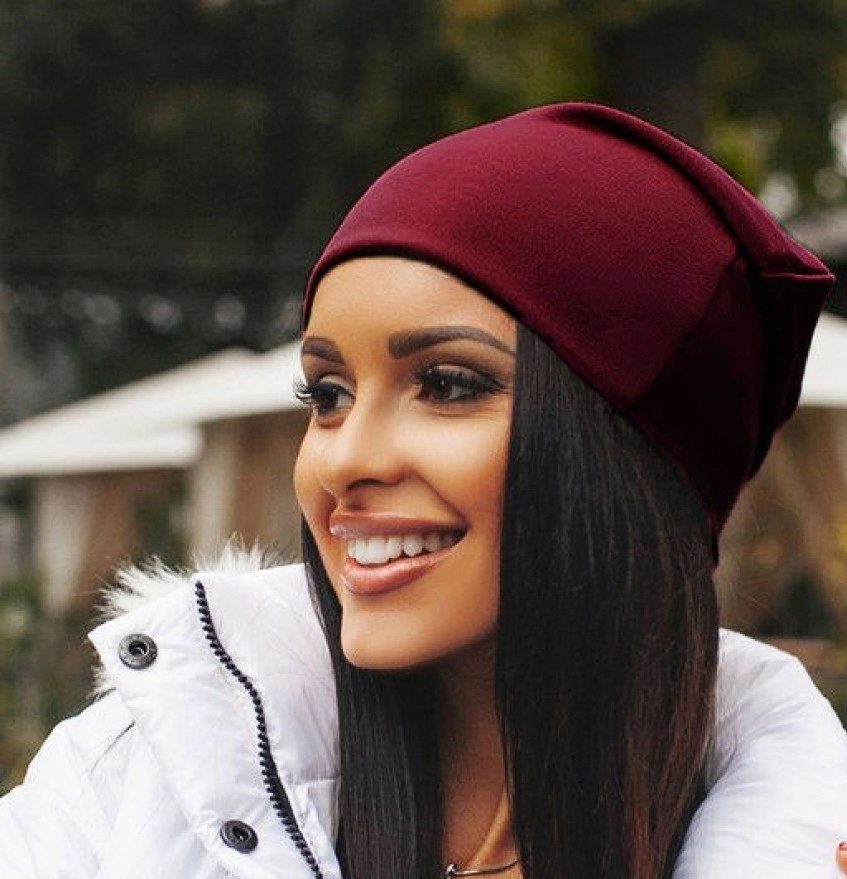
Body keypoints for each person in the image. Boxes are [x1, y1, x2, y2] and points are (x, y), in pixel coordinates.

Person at [1, 102, 846, 879]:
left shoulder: (804, 830)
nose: (343, 460)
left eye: (446, 383)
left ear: (635, 453)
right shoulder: (134, 780)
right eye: (326, 394)